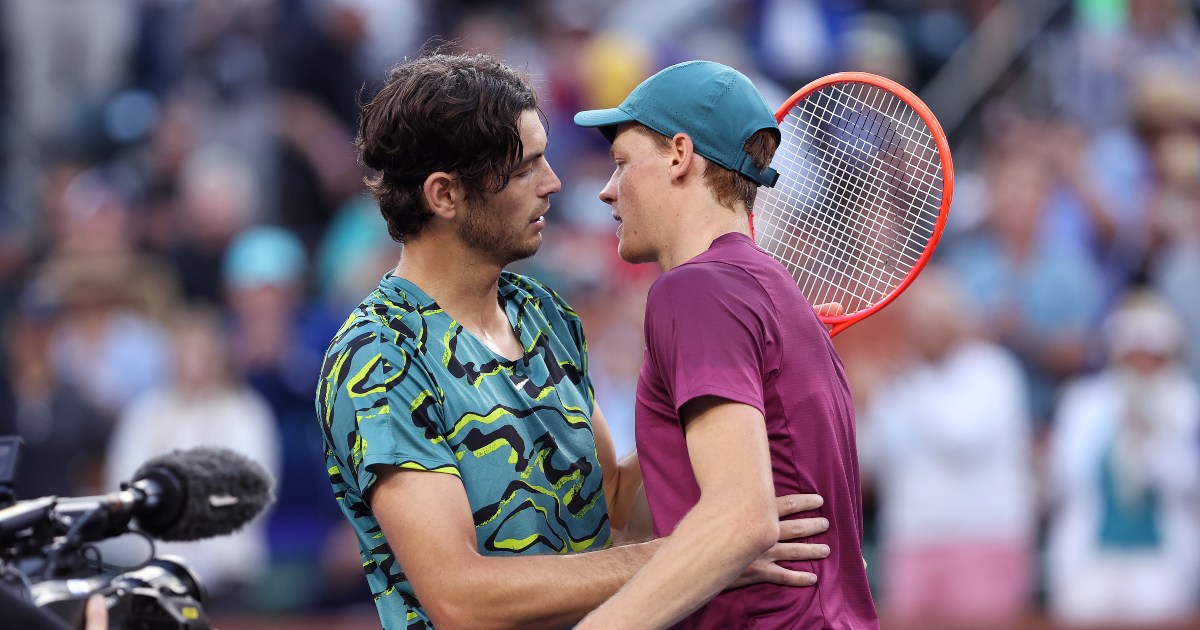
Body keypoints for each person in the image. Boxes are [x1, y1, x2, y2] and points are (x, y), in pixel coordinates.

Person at [316, 52, 832, 630]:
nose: (554, 183)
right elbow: (461, 597)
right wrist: (709, 551)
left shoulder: (544, 314)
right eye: (526, 167)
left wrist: (741, 369)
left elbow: (612, 505)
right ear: (444, 195)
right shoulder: (379, 354)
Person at [573, 60, 878, 628]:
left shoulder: (694, 290)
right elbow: (661, 507)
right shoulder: (771, 291)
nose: (607, 191)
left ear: (679, 155)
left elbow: (741, 519)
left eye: (620, 163)